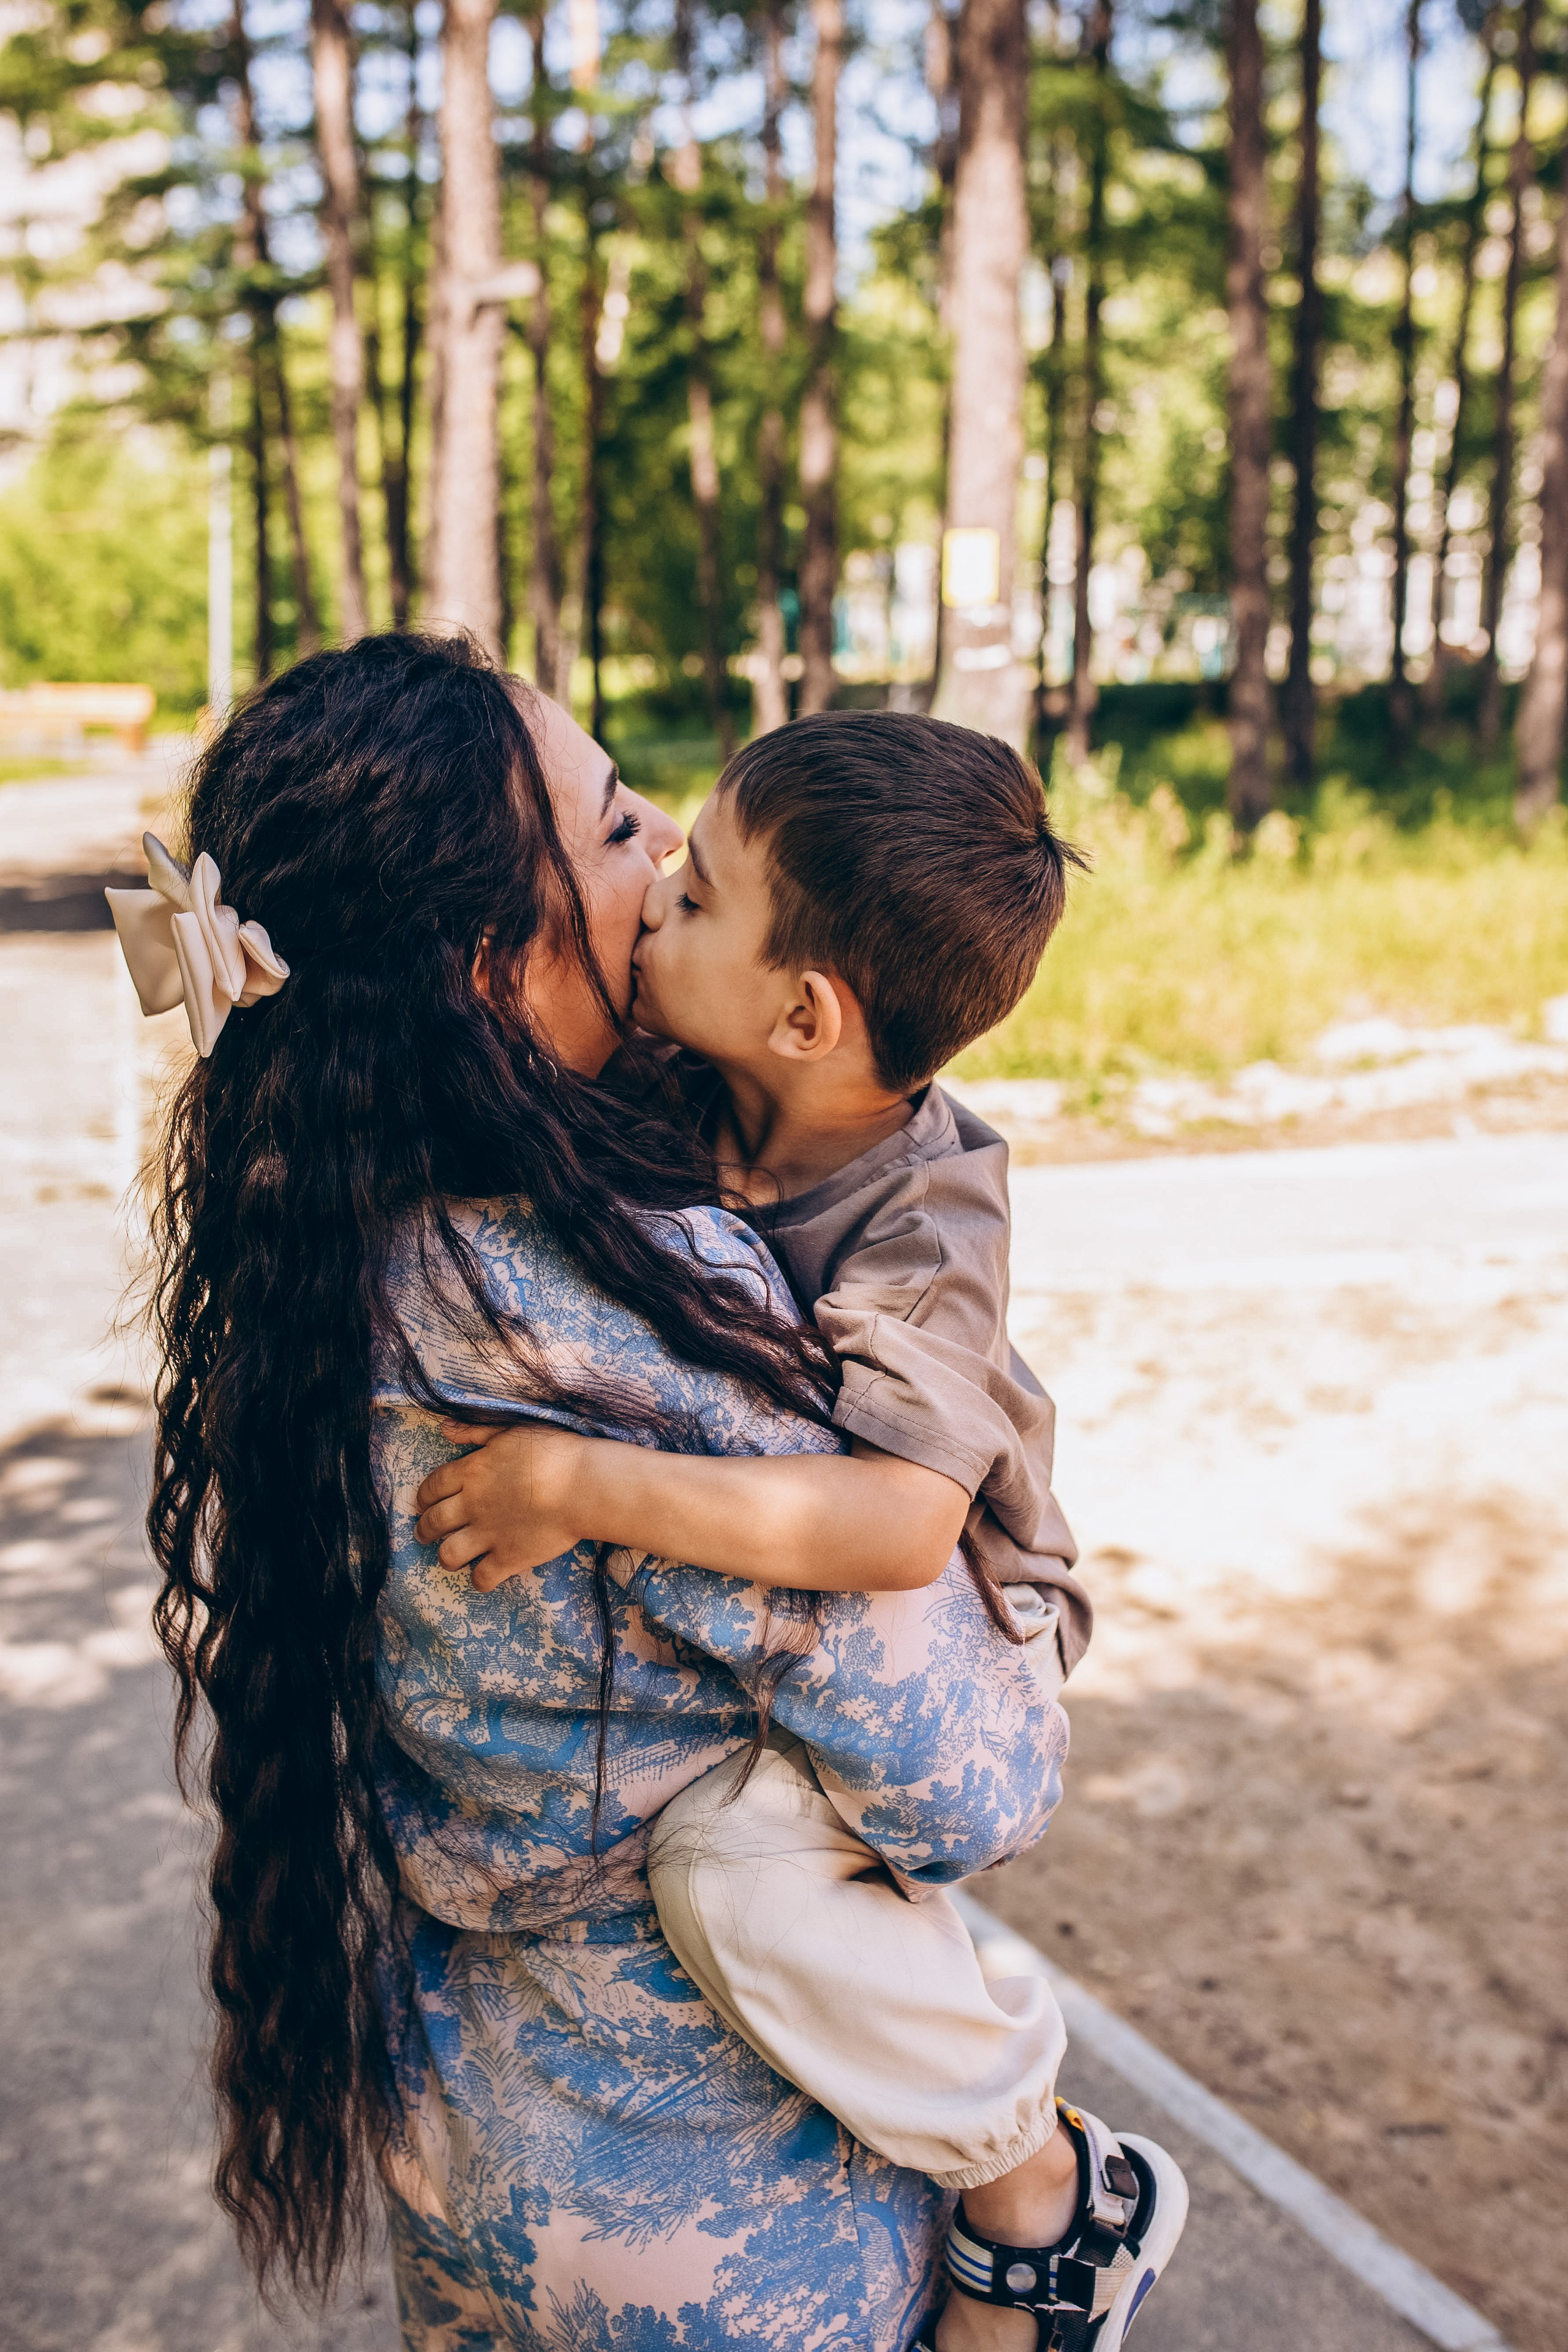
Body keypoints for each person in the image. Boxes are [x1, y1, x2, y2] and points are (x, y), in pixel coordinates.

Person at [111, 632, 1077, 2349]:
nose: (654, 894)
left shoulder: (323, 1211)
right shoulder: (607, 1307)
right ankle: (1040, 2193)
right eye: (628, 834)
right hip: (711, 2227)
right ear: (491, 964)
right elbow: (968, 1783)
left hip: (473, 2156)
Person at [412, 714, 1188, 2351]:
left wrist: (579, 1484)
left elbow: (904, 1527)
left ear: (804, 1010)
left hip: (978, 1603)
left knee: (739, 1876)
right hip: (807, 1611)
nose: (658, 898)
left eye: (698, 893)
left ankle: (1042, 2183)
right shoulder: (695, 1076)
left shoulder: (927, 1218)